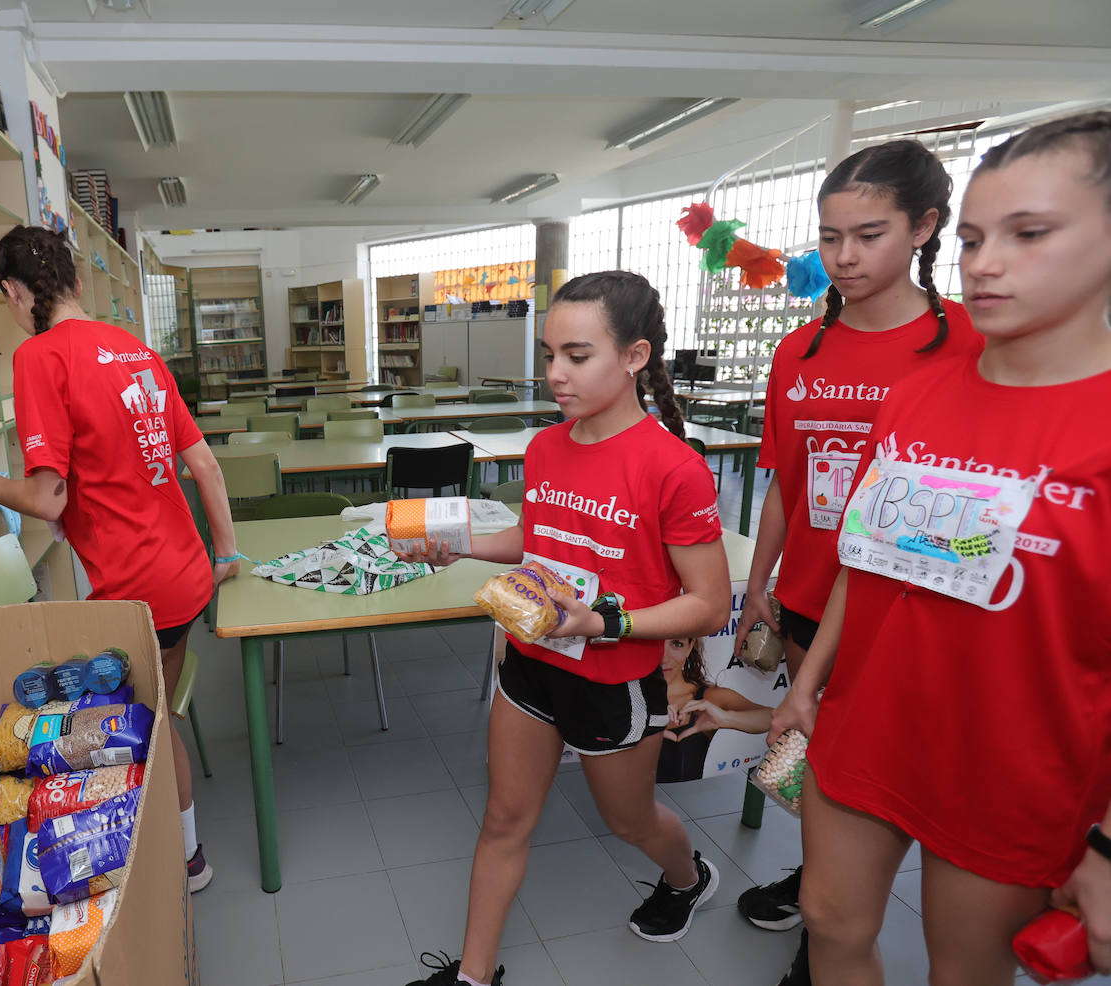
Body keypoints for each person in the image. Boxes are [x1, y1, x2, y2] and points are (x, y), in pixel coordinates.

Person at [771, 110, 1111, 986]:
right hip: (868, 719)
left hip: (1014, 759)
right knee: (828, 923)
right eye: (973, 238)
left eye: (1029, 234)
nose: (987, 262)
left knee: (963, 970)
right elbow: (868, 555)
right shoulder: (920, 395)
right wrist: (807, 686)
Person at [402, 270, 732, 986]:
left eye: (576, 356)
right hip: (529, 664)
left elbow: (709, 605)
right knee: (502, 821)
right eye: (549, 354)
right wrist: (459, 541)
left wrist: (605, 620)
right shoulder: (549, 447)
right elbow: (536, 538)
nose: (555, 373)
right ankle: (474, 977)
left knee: (630, 822)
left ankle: (687, 876)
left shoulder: (674, 470)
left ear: (636, 356)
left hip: (613, 681)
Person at [730, 139, 983, 981]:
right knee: (816, 754)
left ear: (924, 228)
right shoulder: (798, 352)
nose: (844, 257)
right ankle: (823, 903)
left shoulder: (970, 344)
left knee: (908, 771)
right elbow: (783, 485)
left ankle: (844, 905)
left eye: (868, 235)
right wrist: (760, 581)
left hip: (922, 608)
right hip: (812, 596)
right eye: (830, 237)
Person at [0, 225, 239, 894]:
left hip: (134, 587)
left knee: (137, 721)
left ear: (14, 294)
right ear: (79, 282)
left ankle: (175, 859)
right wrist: (225, 554)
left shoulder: (40, 357)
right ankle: (165, 846)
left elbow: (48, 497)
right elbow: (201, 463)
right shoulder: (137, 350)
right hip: (184, 575)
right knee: (152, 706)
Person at [658, 636, 771, 784]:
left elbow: (774, 718)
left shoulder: (708, 698)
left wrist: (725, 719)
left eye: (677, 644)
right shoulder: (623, 696)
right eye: (656, 643)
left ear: (690, 647)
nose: (664, 657)